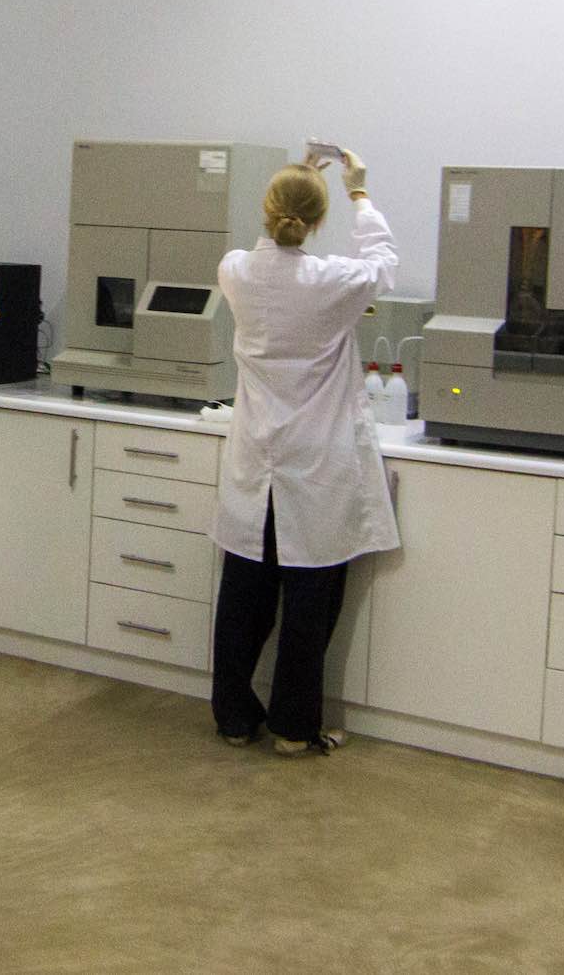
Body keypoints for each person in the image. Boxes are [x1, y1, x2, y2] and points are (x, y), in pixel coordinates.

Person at [209, 144, 400, 756]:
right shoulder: (331, 283)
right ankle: (294, 728)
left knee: (244, 594)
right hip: (315, 465)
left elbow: (275, 254)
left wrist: (300, 181)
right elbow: (383, 262)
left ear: (266, 211)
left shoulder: (235, 269)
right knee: (310, 601)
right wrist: (358, 191)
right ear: (316, 224)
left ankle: (236, 717)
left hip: (256, 459)